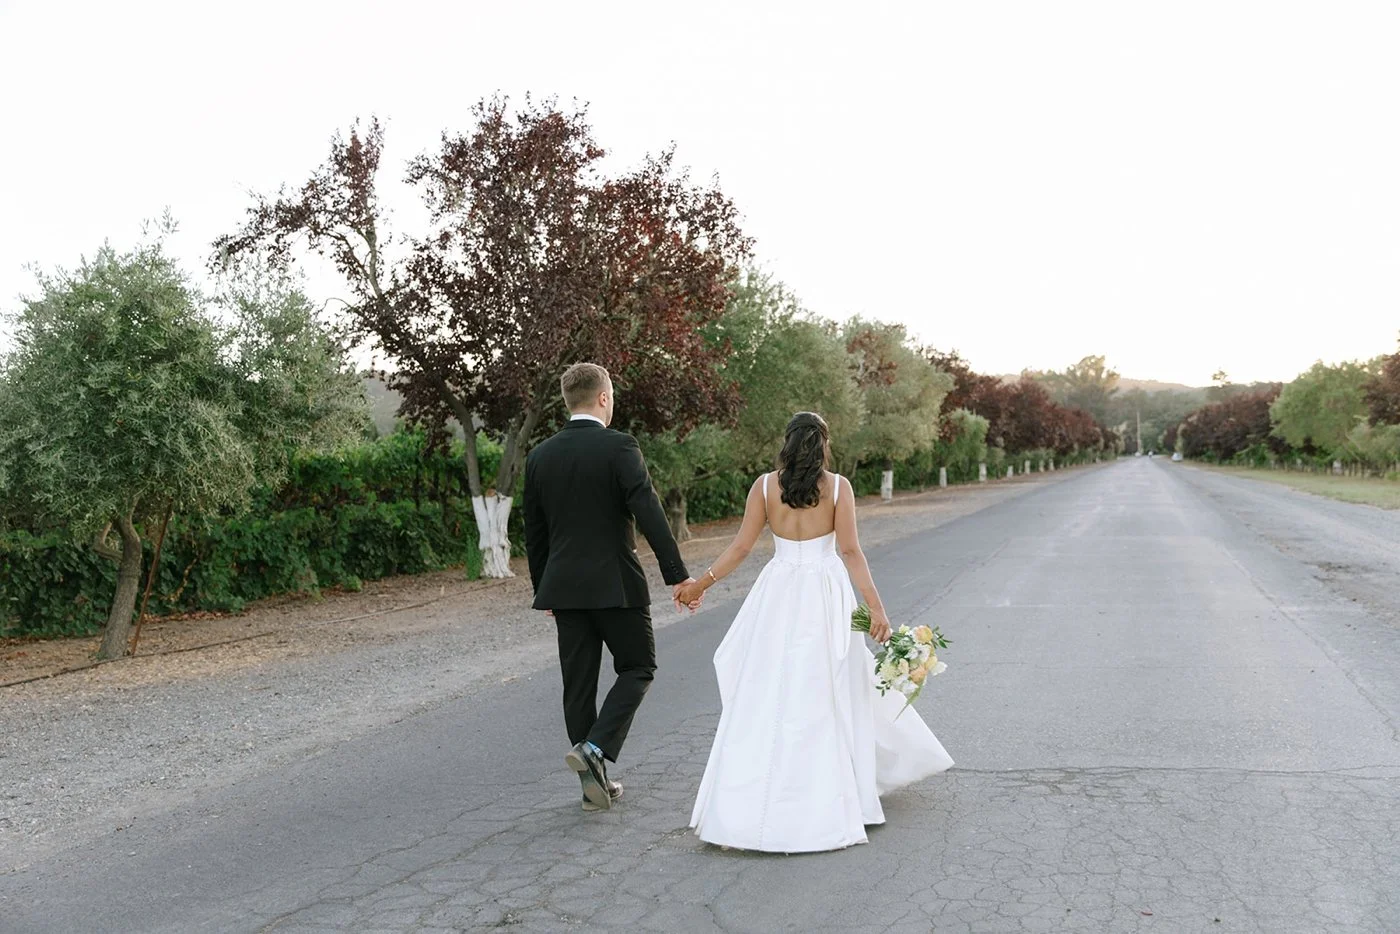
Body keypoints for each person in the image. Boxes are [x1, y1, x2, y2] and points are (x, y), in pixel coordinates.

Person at [679, 412, 953, 852]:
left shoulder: (765, 486)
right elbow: (849, 550)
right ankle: (837, 794)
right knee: (828, 687)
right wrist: (876, 608)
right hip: (826, 594)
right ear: (823, 444)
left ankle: (751, 802)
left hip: (779, 590)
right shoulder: (839, 487)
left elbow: (741, 547)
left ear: (786, 442)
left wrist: (700, 584)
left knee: (769, 688)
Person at [524, 363, 700, 812]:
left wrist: (544, 586)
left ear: (569, 400)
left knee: (577, 685)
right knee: (639, 667)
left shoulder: (540, 456)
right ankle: (595, 751)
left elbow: (535, 531)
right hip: (617, 585)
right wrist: (678, 574)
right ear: (604, 397)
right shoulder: (620, 446)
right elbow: (650, 511)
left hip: (563, 589)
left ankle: (593, 775)